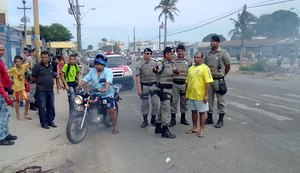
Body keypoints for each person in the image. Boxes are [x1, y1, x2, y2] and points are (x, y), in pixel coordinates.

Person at [78, 53, 119, 134]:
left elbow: (108, 81)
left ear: (103, 64)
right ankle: (90, 118)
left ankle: (115, 126)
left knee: (111, 110)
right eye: (96, 64)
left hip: (107, 94)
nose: (97, 66)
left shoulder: (108, 72)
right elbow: (85, 79)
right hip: (95, 93)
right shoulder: (92, 71)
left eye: (99, 64)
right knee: (85, 102)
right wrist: (79, 86)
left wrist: (105, 88)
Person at [204, 35, 231, 128]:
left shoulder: (223, 53)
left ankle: (220, 119)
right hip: (209, 80)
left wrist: (223, 75)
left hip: (219, 81)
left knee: (221, 100)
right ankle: (209, 118)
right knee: (209, 100)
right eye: (211, 41)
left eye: (214, 41)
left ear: (218, 43)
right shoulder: (207, 54)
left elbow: (228, 66)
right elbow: (204, 67)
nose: (212, 43)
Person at [153, 47, 179, 139]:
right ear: (166, 54)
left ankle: (158, 127)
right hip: (163, 89)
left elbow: (177, 72)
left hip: (170, 89)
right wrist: (155, 69)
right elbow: (156, 70)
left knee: (162, 108)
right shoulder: (161, 63)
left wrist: (176, 71)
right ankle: (165, 130)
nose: (172, 55)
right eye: (171, 54)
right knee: (166, 109)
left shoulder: (172, 63)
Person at [185, 52, 213, 138]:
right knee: (193, 112)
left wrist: (206, 95)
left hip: (200, 96)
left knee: (202, 113)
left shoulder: (205, 68)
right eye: (195, 57)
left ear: (202, 58)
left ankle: (201, 129)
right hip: (191, 95)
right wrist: (186, 94)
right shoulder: (191, 68)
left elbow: (208, 82)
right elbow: (187, 82)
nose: (196, 59)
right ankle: (194, 127)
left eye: (198, 57)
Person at [31, 51, 57, 129]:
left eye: (46, 57)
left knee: (51, 106)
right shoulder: (37, 67)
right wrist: (40, 82)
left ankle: (50, 121)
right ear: (40, 57)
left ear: (48, 58)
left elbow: (54, 76)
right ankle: (44, 123)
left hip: (50, 90)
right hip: (41, 90)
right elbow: (33, 78)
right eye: (43, 57)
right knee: (42, 107)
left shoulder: (51, 66)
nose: (44, 59)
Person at [136, 48, 159, 128]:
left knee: (155, 104)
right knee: (145, 104)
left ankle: (153, 119)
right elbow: (138, 77)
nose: (149, 55)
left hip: (153, 85)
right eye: (147, 53)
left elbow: (158, 74)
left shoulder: (154, 63)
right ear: (144, 54)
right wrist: (139, 89)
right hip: (144, 86)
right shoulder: (140, 64)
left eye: (150, 53)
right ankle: (145, 120)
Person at [170, 45, 191, 127]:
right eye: (179, 51)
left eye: (182, 51)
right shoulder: (173, 61)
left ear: (184, 52)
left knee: (184, 102)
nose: (181, 52)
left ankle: (183, 118)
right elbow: (169, 71)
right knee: (174, 102)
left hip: (185, 84)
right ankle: (173, 119)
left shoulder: (189, 61)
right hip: (175, 84)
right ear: (176, 52)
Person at [0, 44, 17, 145]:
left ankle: (5, 133)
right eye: (0, 50)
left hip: (3, 90)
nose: (1, 52)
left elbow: (4, 76)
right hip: (1, 92)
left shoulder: (1, 61)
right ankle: (2, 137)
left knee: (5, 114)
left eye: (2, 50)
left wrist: (8, 88)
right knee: (3, 114)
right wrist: (6, 97)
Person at [8, 56, 31, 120]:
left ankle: (26, 113)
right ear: (15, 62)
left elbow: (29, 63)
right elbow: (5, 73)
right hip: (16, 88)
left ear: (21, 61)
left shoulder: (24, 66)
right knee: (17, 101)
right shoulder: (13, 69)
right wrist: (10, 79)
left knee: (28, 100)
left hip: (22, 88)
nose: (18, 63)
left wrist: (26, 58)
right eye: (17, 62)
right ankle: (18, 115)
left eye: (19, 61)